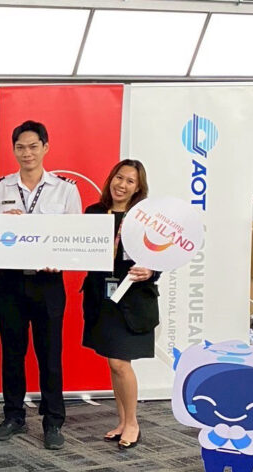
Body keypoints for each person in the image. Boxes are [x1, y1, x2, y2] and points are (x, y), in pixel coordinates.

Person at [0, 120, 82, 450]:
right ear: (13, 150)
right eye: (20, 147)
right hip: (9, 280)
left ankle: (53, 421)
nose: (27, 153)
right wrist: (6, 226)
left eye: (33, 146)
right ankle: (13, 416)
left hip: (49, 281)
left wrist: (60, 258)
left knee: (50, 354)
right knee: (13, 352)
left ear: (46, 147)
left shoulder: (65, 189)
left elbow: (75, 237)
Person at [81, 159, 158, 449]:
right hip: (102, 299)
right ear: (110, 178)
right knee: (113, 364)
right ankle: (123, 420)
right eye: (119, 177)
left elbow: (161, 257)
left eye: (130, 181)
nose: (121, 185)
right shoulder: (94, 212)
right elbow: (80, 251)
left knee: (119, 362)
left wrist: (151, 271)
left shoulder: (145, 218)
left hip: (133, 299)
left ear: (138, 188)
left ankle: (134, 423)